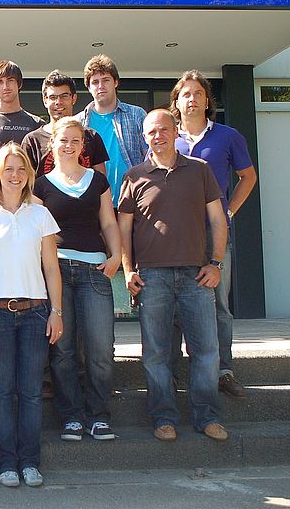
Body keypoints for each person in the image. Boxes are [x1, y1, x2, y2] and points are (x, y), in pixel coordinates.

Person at [117, 109, 228, 443]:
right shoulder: (134, 176)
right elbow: (123, 228)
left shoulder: (200, 170)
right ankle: (163, 417)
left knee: (206, 352)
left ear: (175, 131)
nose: (158, 136)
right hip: (153, 278)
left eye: (164, 129)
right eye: (151, 132)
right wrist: (128, 269)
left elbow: (218, 220)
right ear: (145, 137)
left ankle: (207, 416)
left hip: (197, 276)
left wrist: (216, 263)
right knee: (155, 354)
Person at [0, 142, 63, 488]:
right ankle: (6, 462)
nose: (15, 175)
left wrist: (57, 311)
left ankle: (30, 462)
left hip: (36, 313)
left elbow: (51, 268)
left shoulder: (40, 214)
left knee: (32, 392)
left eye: (21, 169)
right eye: (9, 168)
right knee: (3, 391)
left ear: (28, 175)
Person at [169, 70, 258, 398]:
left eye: (198, 94)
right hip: (175, 236)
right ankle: (175, 371)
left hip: (213, 233)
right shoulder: (168, 138)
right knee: (176, 303)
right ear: (176, 102)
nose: (192, 99)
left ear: (208, 100)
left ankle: (223, 369)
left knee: (218, 303)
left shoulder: (228, 136)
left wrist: (229, 211)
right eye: (185, 94)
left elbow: (247, 177)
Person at [31, 117, 120, 442]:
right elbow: (38, 231)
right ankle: (71, 417)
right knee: (63, 349)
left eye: (74, 140)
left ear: (83, 146)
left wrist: (116, 257)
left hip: (95, 272)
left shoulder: (97, 182)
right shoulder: (40, 185)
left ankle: (98, 416)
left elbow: (109, 223)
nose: (68, 145)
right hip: (57, 273)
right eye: (62, 140)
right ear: (52, 144)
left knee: (100, 349)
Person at [77, 55, 147, 207]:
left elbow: (150, 156)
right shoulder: (78, 123)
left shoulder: (136, 115)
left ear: (115, 82)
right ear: (88, 87)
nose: (100, 86)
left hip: (133, 200)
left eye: (106, 80)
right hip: (93, 203)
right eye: (95, 82)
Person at [22, 70, 108, 178]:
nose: (58, 102)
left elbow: (102, 183)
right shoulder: (32, 141)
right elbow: (25, 185)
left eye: (64, 96)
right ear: (45, 100)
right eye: (53, 97)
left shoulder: (92, 137)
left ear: (74, 98)